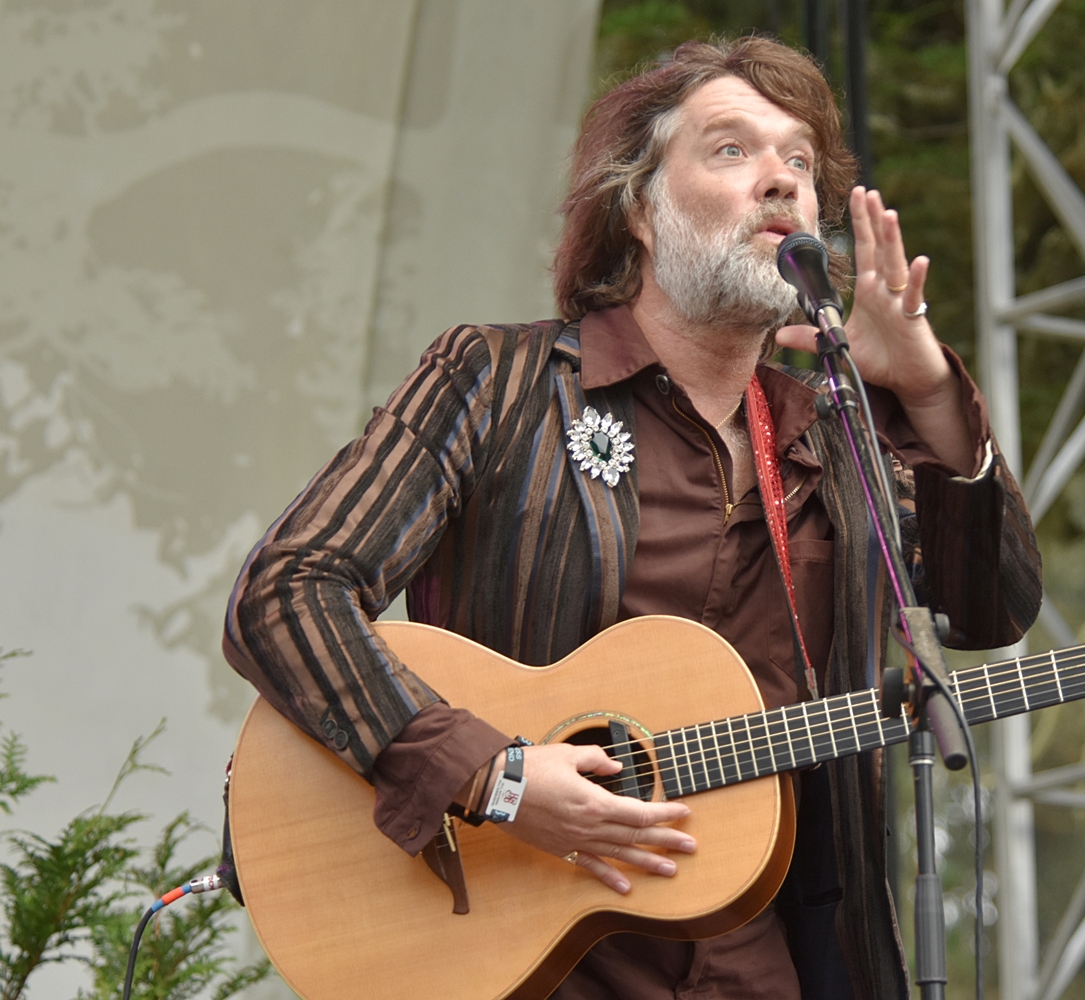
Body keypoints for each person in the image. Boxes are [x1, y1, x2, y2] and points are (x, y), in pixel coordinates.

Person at [224, 35, 1041, 1000]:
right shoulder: (499, 382)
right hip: (521, 953)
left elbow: (990, 610)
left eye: (800, 161)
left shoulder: (834, 439)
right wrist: (491, 776)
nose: (781, 179)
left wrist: (931, 394)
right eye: (731, 149)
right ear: (639, 210)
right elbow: (287, 593)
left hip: (764, 964)